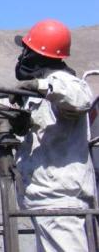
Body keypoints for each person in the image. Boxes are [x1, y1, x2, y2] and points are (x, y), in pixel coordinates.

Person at [12, 19, 96, 251]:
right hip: (44, 199)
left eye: (26, 50)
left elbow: (81, 99)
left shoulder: (64, 83)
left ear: (37, 54)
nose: (22, 56)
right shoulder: (41, 91)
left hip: (61, 200)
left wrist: (41, 86)